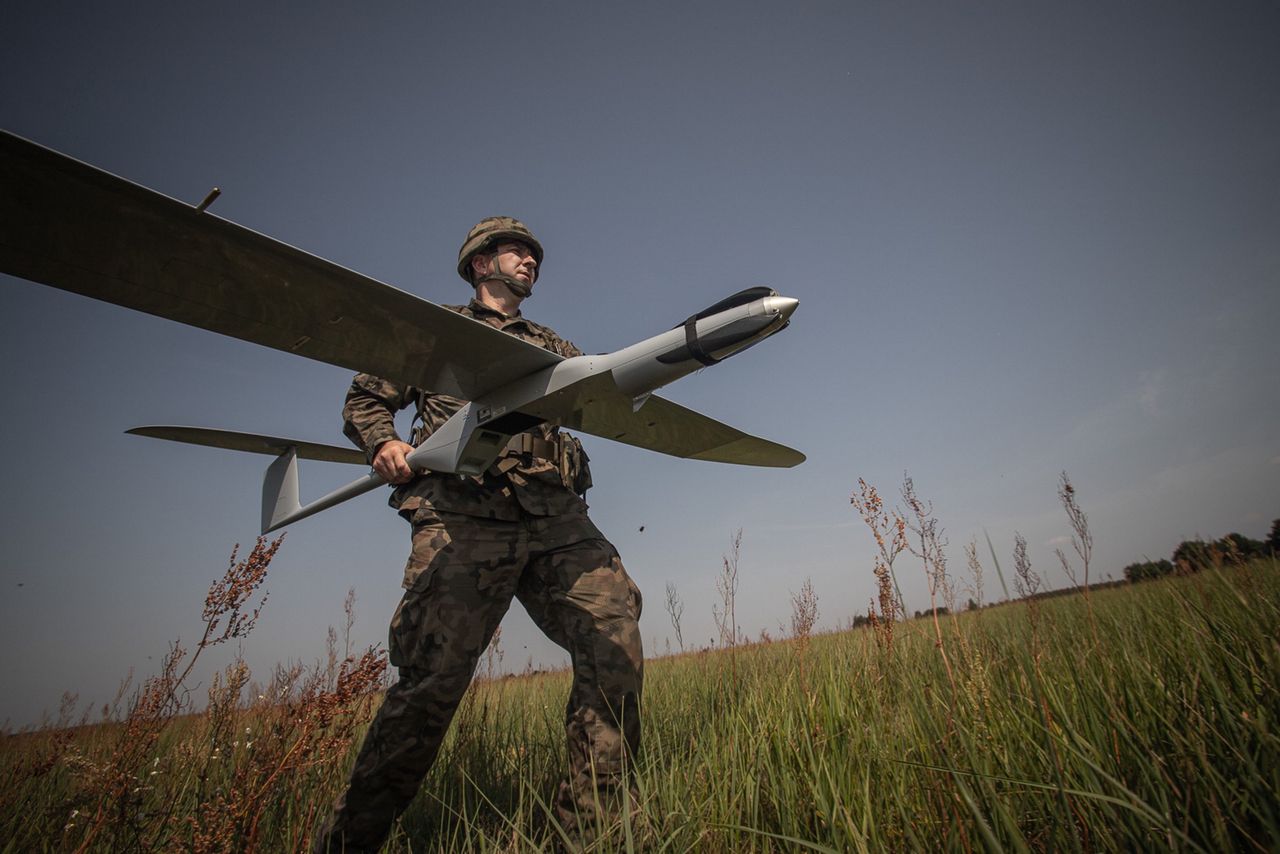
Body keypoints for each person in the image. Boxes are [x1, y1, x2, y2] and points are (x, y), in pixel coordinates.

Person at [315, 217, 644, 852]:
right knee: (431, 687)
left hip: (555, 519)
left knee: (615, 640)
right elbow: (365, 399)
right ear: (478, 263)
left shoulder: (550, 342)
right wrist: (384, 442)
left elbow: (601, 392)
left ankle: (589, 834)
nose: (530, 261)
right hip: (464, 516)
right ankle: (347, 841)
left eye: (534, 255)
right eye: (516, 251)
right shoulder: (435, 332)